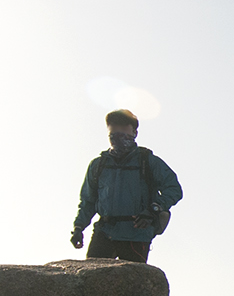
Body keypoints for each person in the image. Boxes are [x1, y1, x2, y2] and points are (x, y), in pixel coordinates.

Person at [72, 109, 183, 263]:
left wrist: (154, 209)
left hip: (137, 235)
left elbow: (174, 189)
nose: (118, 136)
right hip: (104, 233)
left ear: (135, 132)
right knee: (91, 276)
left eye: (123, 130)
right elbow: (88, 201)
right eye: (113, 132)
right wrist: (78, 227)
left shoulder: (148, 161)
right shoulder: (98, 165)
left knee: (134, 278)